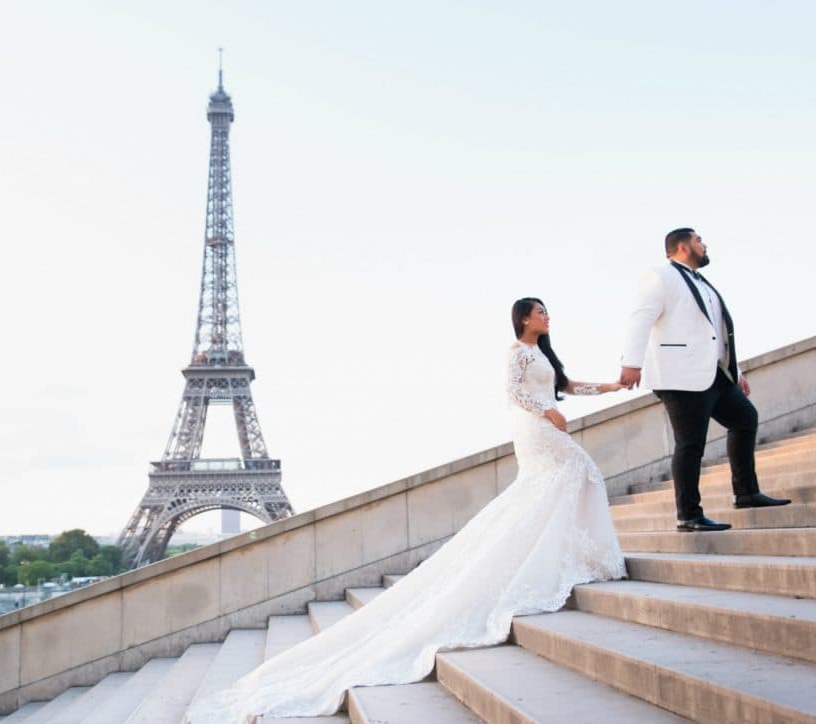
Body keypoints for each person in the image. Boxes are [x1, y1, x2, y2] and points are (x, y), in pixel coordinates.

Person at [184, 297, 626, 723]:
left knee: (569, 479)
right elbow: (513, 392)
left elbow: (566, 385)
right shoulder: (516, 352)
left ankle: (573, 550)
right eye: (540, 311)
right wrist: (548, 415)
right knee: (576, 474)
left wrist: (608, 386)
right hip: (535, 428)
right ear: (523, 319)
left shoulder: (541, 353)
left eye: (547, 310)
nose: (547, 316)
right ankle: (575, 551)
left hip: (543, 424)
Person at [619, 229, 790, 532]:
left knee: (745, 417)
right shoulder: (660, 276)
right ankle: (688, 515)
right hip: (680, 376)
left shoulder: (704, 284)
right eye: (699, 240)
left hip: (714, 374)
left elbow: (714, 333)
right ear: (683, 247)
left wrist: (734, 372)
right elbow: (641, 318)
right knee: (690, 444)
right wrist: (631, 363)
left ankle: (746, 492)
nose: (705, 244)